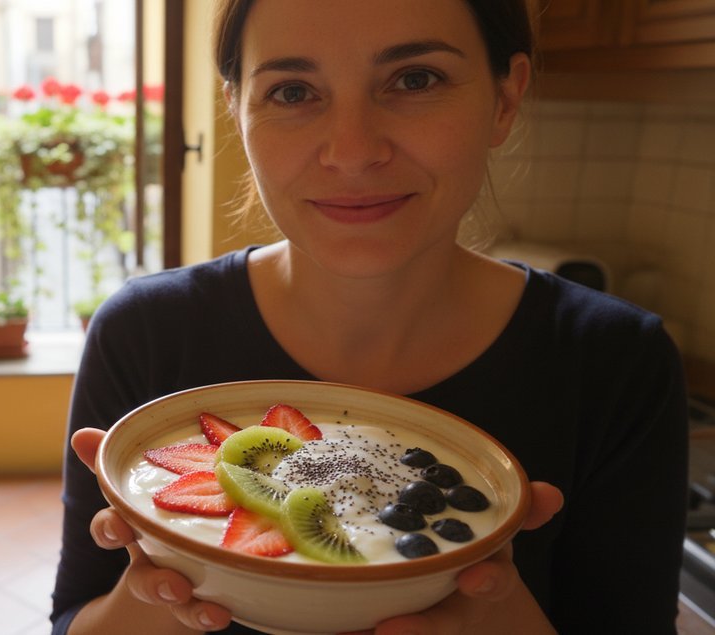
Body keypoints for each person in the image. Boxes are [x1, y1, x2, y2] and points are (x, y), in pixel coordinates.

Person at [51, 0, 689, 633]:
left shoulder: (615, 360)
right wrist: (153, 587)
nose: (352, 152)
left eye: (416, 79)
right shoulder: (145, 332)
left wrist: (494, 610)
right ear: (237, 109)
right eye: (293, 90)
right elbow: (74, 620)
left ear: (504, 98)